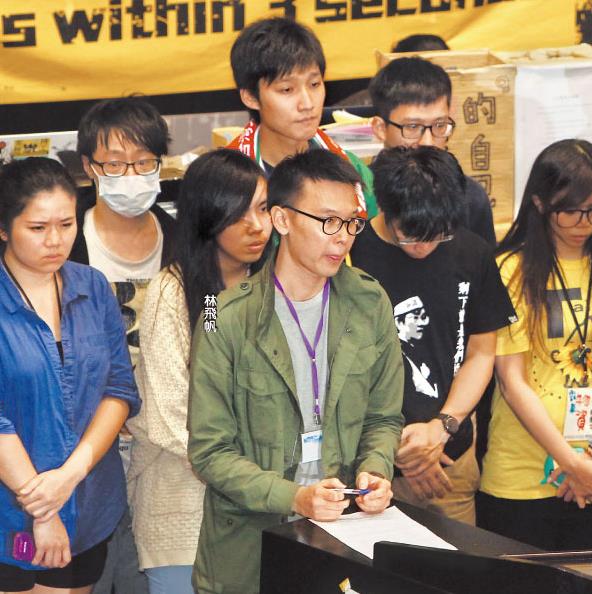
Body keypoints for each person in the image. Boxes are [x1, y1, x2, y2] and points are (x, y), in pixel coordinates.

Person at [187, 150, 402, 594]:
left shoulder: (369, 301)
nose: (341, 238)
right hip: (250, 548)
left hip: (340, 538)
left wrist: (375, 471)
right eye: (328, 221)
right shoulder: (222, 316)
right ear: (282, 219)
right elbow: (210, 451)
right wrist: (295, 497)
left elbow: (383, 417)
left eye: (352, 223)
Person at [478, 139, 592, 550]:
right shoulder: (511, 270)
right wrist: (569, 462)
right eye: (570, 211)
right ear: (540, 204)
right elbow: (511, 381)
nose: (584, 222)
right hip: (523, 476)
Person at [127, 150, 272, 594]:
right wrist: (242, 468)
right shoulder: (175, 293)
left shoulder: (273, 285)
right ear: (208, 217)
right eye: (239, 214)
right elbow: (169, 414)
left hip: (263, 505)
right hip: (184, 507)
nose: (257, 225)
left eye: (264, 208)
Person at [350, 146, 514, 525]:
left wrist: (441, 428)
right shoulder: (352, 254)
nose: (424, 247)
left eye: (437, 235)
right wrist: (399, 449)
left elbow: (481, 353)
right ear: (386, 209)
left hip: (449, 457)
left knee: (458, 559)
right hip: (369, 463)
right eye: (411, 236)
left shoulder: (471, 253)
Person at [0, 157, 140, 592]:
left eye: (66, 224)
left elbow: (119, 387)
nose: (55, 240)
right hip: (12, 512)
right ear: (4, 228)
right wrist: (43, 509)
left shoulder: (92, 286)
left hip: (91, 499)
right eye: (37, 228)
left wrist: (71, 475)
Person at [74, 95, 173, 594]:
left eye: (144, 162)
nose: (131, 176)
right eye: (115, 164)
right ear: (89, 167)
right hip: (86, 446)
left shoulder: (184, 240)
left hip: (164, 448)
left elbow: (210, 322)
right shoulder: (66, 241)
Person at [225, 16, 377, 218]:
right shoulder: (228, 182)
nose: (307, 104)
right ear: (251, 97)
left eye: (314, 84)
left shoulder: (351, 167)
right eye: (287, 89)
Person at [367, 56, 496, 245]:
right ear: (380, 129)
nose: (427, 142)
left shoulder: (471, 198)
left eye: (439, 125)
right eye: (412, 127)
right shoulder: (358, 197)